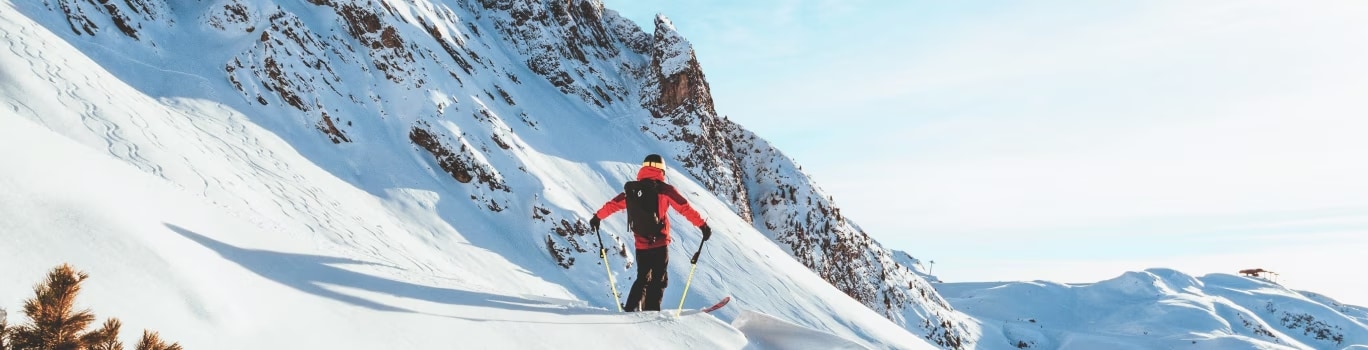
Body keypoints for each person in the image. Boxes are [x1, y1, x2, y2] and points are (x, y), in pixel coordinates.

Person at [589, 154, 711, 311]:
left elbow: (613, 205)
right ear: (662, 170)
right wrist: (702, 225)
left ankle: (630, 309)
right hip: (659, 242)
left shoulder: (633, 191)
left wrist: (597, 217)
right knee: (658, 279)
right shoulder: (665, 190)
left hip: (641, 244)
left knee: (642, 278)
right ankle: (652, 315)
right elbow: (684, 207)